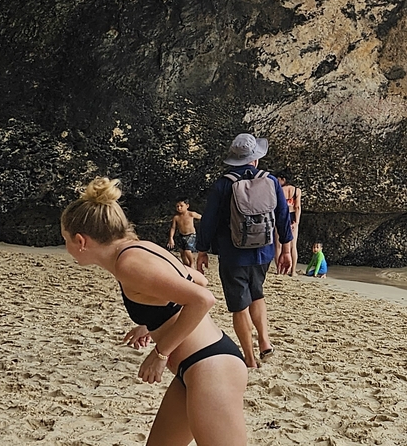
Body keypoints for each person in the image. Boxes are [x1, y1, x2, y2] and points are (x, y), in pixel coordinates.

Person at [62, 177, 248, 445]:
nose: (67, 248)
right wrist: (151, 320)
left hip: (211, 366)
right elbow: (197, 279)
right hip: (195, 367)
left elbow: (202, 299)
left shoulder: (129, 265)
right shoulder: (136, 249)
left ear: (81, 240)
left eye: (65, 240)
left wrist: (161, 353)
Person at [198, 133, 294, 369]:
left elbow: (209, 220)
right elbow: (283, 217)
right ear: (255, 159)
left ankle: (249, 358)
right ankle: (264, 341)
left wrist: (201, 249)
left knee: (239, 304)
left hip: (233, 253)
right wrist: (287, 250)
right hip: (263, 251)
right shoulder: (270, 181)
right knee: (257, 293)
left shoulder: (223, 184)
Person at [275, 176, 302, 275]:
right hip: (292, 217)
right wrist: (297, 221)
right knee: (293, 246)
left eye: (279, 179)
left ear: (284, 179)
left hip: (281, 216)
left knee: (278, 246)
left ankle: (279, 271)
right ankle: (293, 271)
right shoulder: (297, 191)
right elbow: (297, 206)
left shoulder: (280, 190)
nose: (277, 181)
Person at [168, 201, 204, 270]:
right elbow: (173, 228)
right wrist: (171, 238)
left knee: (187, 251)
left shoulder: (191, 214)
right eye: (177, 206)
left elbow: (202, 218)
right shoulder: (176, 217)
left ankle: (192, 263)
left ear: (187, 206)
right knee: (182, 252)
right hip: (181, 235)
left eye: (181, 206)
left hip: (191, 235)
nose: (179, 208)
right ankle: (186, 266)